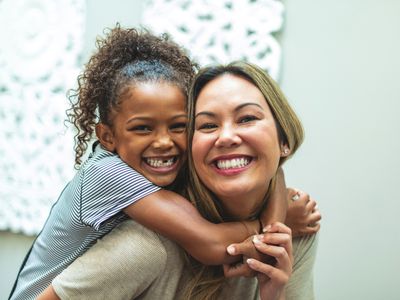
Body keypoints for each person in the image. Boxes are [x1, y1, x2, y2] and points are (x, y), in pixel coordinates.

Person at [9, 26, 300, 300]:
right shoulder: (106, 173)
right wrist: (274, 224)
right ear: (108, 136)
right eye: (142, 128)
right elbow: (210, 242)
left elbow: (274, 169)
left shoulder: (162, 165)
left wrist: (274, 212)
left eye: (178, 126)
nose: (164, 142)